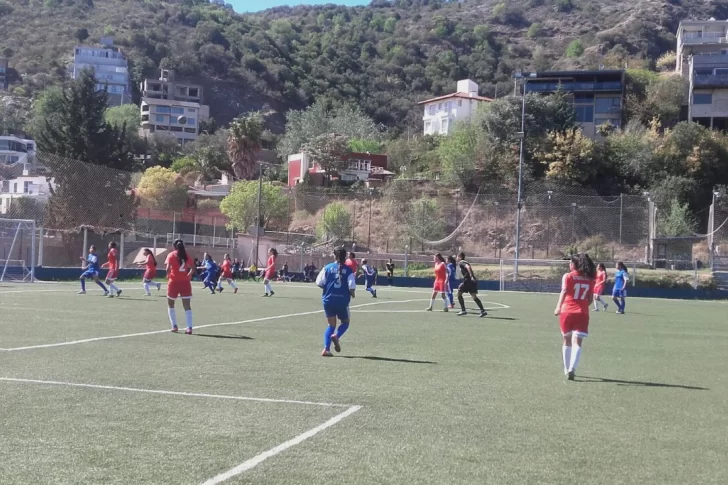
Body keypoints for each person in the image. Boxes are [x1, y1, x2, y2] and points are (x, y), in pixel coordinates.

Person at [554, 253, 596, 380]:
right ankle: (573, 368)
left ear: (574, 264)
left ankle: (566, 369)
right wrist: (581, 306)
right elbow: (589, 299)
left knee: (566, 340)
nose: (569, 264)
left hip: (567, 311)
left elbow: (564, 291)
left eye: (570, 262)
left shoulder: (567, 276)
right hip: (582, 313)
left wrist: (558, 307)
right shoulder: (589, 280)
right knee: (577, 342)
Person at [317, 247, 356, 357]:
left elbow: (319, 282)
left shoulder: (327, 268)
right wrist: (352, 294)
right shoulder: (348, 270)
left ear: (334, 256)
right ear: (345, 257)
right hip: (342, 300)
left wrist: (329, 288)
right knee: (345, 322)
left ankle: (326, 349)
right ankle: (337, 336)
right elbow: (351, 286)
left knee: (331, 325)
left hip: (328, 300)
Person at [165, 239, 195, 334]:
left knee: (171, 304)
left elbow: (167, 268)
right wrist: (188, 275)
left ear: (174, 246)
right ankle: (189, 327)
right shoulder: (186, 256)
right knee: (187, 306)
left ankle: (174, 326)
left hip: (173, 282)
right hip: (185, 283)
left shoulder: (171, 255)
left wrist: (168, 275)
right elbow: (193, 269)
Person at [455, 253, 487, 317]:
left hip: (468, 280)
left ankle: (463, 310)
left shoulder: (461, 262)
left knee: (459, 293)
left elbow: (468, 267)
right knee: (474, 296)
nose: (456, 258)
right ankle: (483, 311)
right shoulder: (465, 262)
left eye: (457, 257)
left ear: (460, 257)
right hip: (472, 281)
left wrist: (471, 276)